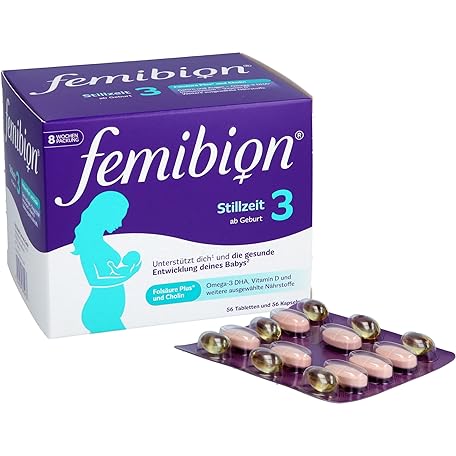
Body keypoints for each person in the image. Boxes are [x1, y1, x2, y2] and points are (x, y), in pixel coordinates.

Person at [72, 191, 141, 333]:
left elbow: (110, 271)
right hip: (99, 312)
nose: (120, 224)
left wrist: (127, 268)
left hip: (109, 312)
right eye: (118, 218)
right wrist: (129, 274)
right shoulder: (88, 242)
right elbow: (95, 279)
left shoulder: (97, 241)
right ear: (105, 215)